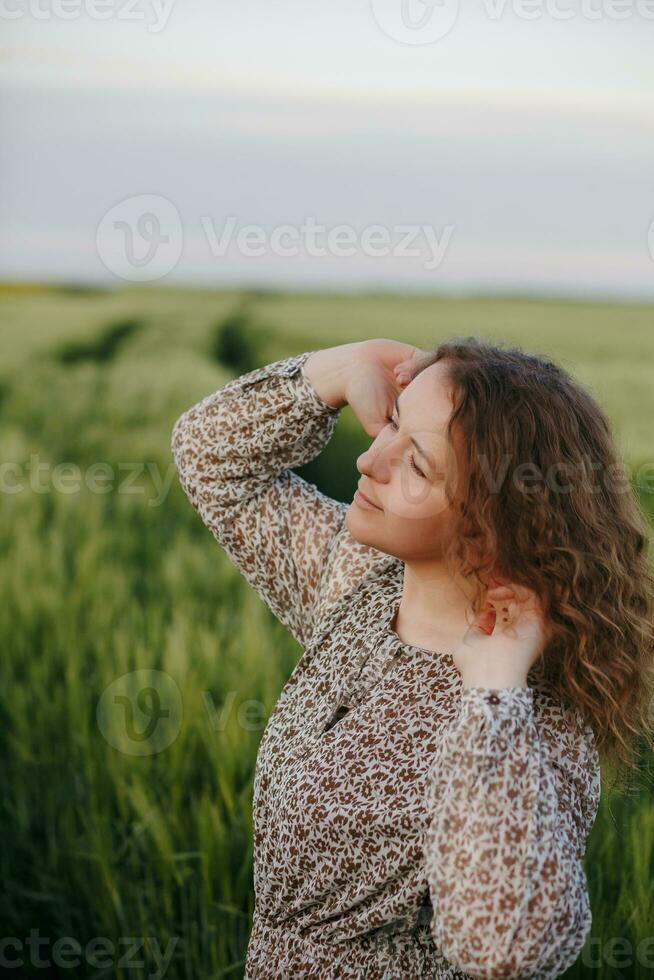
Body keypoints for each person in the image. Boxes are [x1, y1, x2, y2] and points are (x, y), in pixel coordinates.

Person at [170, 337, 654, 979]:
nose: (370, 460)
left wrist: (493, 692)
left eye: (418, 466)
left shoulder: (535, 716)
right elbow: (209, 456)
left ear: (493, 517)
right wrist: (339, 369)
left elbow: (504, 950)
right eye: (394, 422)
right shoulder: (359, 583)